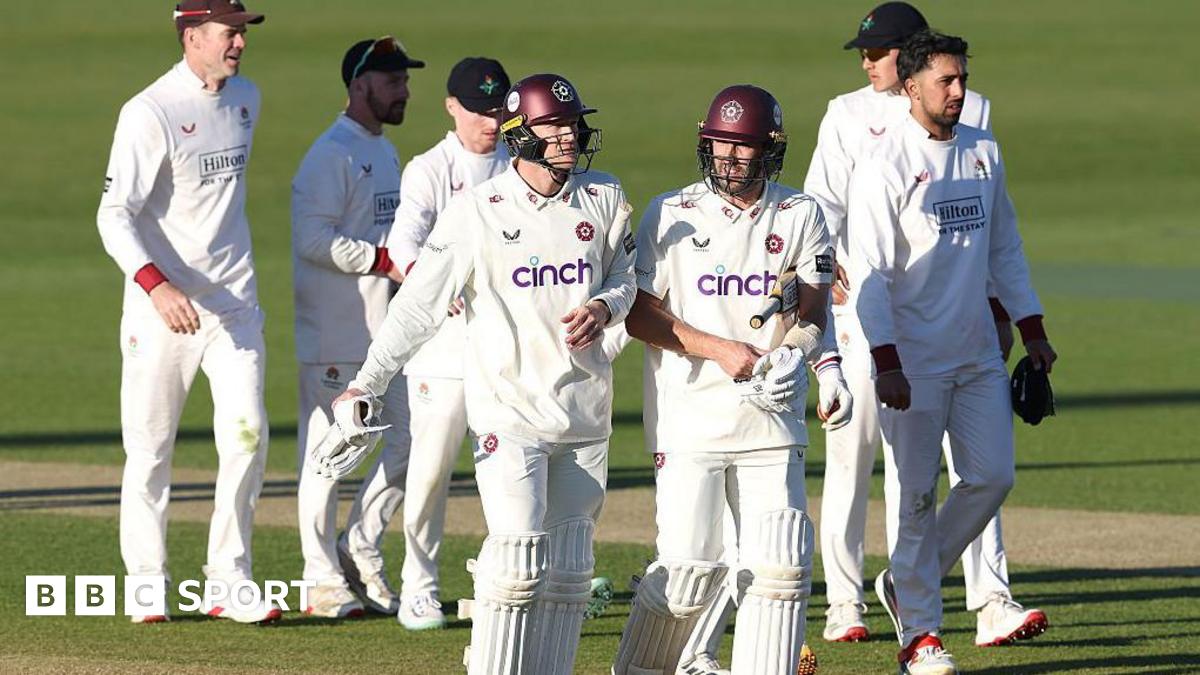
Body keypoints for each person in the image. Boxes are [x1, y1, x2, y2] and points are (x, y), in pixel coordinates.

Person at [336, 73, 635, 674]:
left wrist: (606, 306)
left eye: (573, 124)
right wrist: (366, 381)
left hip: (584, 414)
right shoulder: (477, 211)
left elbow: (627, 279)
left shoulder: (604, 197)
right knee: (519, 562)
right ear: (519, 134)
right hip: (509, 414)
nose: (569, 136)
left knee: (570, 570)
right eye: (554, 126)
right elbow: (418, 305)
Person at [804, 1, 1046, 648]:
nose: (867, 60)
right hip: (867, 305)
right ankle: (845, 602)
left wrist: (1009, 313)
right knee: (853, 454)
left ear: (913, 55)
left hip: (956, 315)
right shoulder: (846, 114)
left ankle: (988, 597)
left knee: (978, 466)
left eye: (877, 50)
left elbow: (991, 231)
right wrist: (827, 274)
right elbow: (822, 202)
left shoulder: (974, 115)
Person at [612, 85, 850, 675]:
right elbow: (640, 312)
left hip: (772, 419)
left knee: (779, 565)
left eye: (743, 146)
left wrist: (797, 354)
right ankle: (648, 668)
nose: (730, 157)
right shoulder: (670, 213)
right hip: (689, 418)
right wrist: (718, 349)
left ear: (769, 149)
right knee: (689, 568)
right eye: (721, 144)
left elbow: (814, 312)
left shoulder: (801, 214)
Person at [96, 0, 277, 625]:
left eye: (243, 33)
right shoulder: (150, 112)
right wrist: (156, 285)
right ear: (192, 36)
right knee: (150, 449)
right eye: (230, 33)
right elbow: (113, 214)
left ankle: (230, 579)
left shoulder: (247, 98)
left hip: (234, 306)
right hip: (161, 311)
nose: (239, 44)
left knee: (247, 435)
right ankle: (147, 582)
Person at [341, 55, 510, 629]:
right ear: (452, 108)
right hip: (439, 348)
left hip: (506, 348)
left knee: (509, 466)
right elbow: (406, 245)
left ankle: (504, 580)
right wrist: (438, 284)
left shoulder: (519, 165)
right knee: (431, 468)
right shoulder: (429, 169)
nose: (492, 123)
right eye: (481, 112)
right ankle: (419, 584)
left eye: (499, 111)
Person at [290, 36, 424, 618]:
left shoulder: (384, 151)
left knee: (406, 444)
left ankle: (357, 546)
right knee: (330, 455)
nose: (404, 91)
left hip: (383, 336)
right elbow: (310, 239)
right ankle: (320, 581)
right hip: (335, 334)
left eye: (406, 80)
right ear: (360, 85)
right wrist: (382, 259)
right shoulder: (331, 154)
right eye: (393, 80)